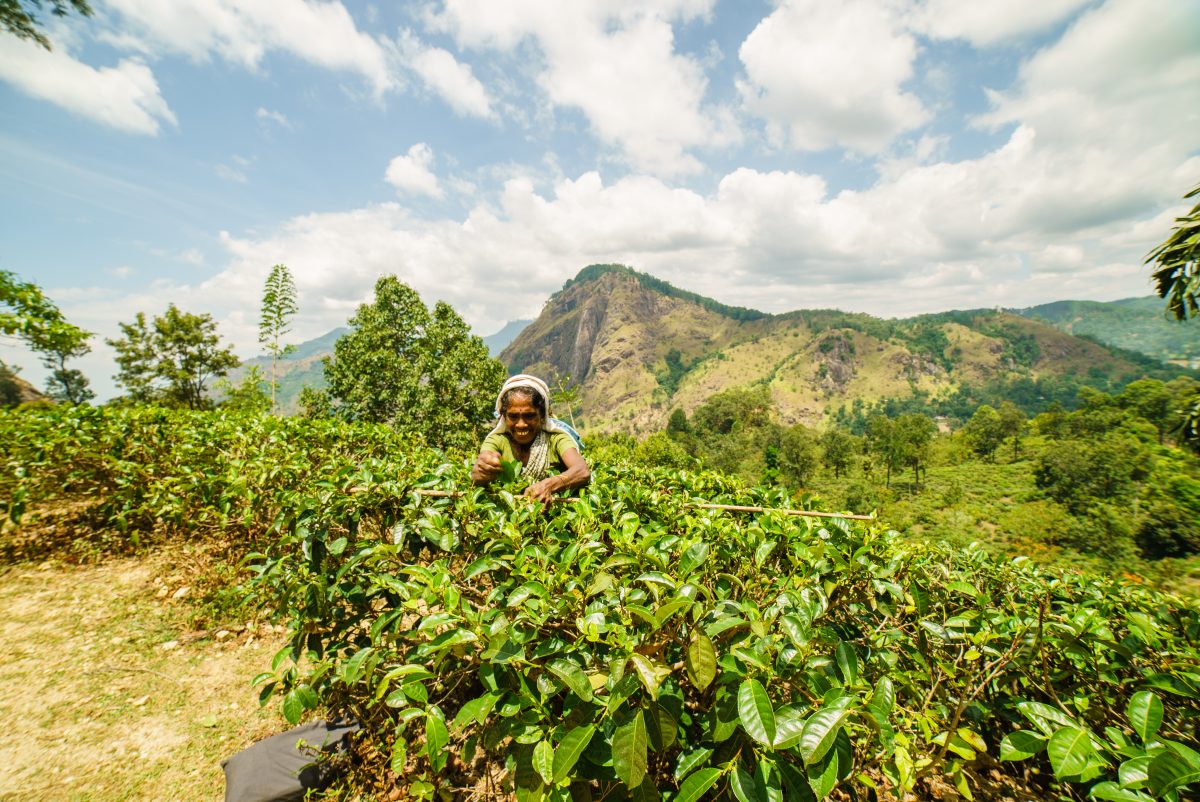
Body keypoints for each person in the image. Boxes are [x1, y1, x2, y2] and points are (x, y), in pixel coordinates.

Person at [471, 374, 590, 502]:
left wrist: (549, 485)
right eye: (513, 416)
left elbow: (581, 470)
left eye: (529, 416)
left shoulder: (556, 439)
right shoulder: (497, 440)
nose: (521, 424)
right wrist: (481, 471)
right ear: (504, 416)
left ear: (543, 415)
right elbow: (481, 466)